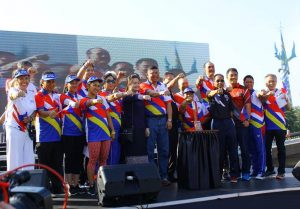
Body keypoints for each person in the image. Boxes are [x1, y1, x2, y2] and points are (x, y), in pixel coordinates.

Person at [79, 76, 115, 195]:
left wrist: (112, 130)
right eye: (94, 85)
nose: (97, 87)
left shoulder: (103, 99)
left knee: (104, 160)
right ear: (88, 86)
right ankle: (91, 185)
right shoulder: (84, 99)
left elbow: (108, 116)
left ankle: (102, 183)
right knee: (93, 160)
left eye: (99, 86)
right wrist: (94, 101)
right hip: (93, 135)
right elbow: (88, 103)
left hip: (105, 134)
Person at [140, 66, 172, 186]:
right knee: (149, 151)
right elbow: (150, 93)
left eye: (156, 73)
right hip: (150, 121)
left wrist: (169, 120)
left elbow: (168, 104)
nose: (154, 75)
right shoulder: (143, 85)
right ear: (147, 75)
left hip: (163, 120)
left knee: (164, 150)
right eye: (152, 73)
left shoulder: (163, 85)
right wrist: (161, 93)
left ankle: (164, 176)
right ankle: (152, 177)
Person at [35, 71, 63, 194]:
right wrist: (49, 113)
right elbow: (40, 112)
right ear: (42, 83)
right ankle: (44, 190)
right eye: (48, 81)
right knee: (44, 166)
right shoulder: (39, 95)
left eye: (53, 81)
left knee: (57, 164)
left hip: (57, 136)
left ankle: (57, 188)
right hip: (44, 137)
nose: (51, 84)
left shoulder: (55, 95)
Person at [207, 74, 239, 183]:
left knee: (233, 150)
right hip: (216, 123)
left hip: (228, 123)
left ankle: (234, 175)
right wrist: (217, 91)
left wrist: (243, 119)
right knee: (219, 151)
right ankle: (219, 175)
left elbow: (232, 109)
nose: (220, 82)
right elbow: (210, 94)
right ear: (214, 83)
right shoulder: (210, 93)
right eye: (217, 81)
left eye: (221, 80)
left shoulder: (227, 94)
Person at [5, 69, 36, 171]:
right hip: (15, 128)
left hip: (27, 129)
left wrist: (30, 117)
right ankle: (13, 184)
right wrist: (18, 94)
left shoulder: (31, 92)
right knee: (15, 159)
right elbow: (12, 96)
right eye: (21, 78)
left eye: (26, 78)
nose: (24, 81)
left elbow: (35, 110)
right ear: (16, 80)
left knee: (29, 159)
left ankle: (29, 184)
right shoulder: (13, 90)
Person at [60, 74, 85, 195]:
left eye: (76, 83)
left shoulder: (80, 96)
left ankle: (76, 184)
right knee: (69, 159)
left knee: (78, 159)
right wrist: (75, 103)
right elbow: (69, 102)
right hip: (67, 133)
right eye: (72, 83)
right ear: (67, 85)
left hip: (79, 133)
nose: (74, 85)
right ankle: (68, 185)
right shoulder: (63, 96)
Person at [263, 74, 291, 180]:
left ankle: (281, 172)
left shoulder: (281, 93)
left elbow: (288, 108)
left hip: (280, 126)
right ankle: (270, 169)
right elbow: (260, 101)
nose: (271, 83)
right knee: (266, 149)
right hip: (268, 126)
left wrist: (287, 100)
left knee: (281, 149)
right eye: (269, 81)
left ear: (276, 81)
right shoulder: (263, 93)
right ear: (266, 82)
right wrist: (267, 95)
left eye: (273, 81)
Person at [226, 68, 251, 181]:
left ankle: (246, 172)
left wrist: (248, 119)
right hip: (230, 124)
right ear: (227, 77)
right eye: (231, 75)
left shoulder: (244, 89)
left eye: (235, 74)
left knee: (245, 149)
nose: (233, 77)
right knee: (232, 150)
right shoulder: (224, 90)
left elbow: (248, 105)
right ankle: (234, 174)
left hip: (242, 123)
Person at [99, 71, 128, 165]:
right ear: (103, 83)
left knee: (116, 151)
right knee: (109, 152)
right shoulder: (101, 95)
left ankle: (115, 174)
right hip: (108, 127)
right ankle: (107, 176)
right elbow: (110, 98)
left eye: (113, 81)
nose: (111, 83)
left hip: (119, 127)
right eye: (108, 81)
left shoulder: (117, 94)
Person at [121, 73, 150, 163]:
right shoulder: (126, 96)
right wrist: (142, 96)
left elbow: (143, 113)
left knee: (142, 152)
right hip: (130, 131)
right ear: (129, 84)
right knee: (131, 154)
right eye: (134, 83)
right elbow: (132, 98)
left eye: (138, 83)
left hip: (141, 130)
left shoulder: (139, 96)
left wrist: (147, 127)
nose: (137, 85)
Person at [243, 75, 267, 179]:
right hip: (248, 125)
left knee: (260, 149)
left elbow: (261, 94)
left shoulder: (256, 92)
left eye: (251, 82)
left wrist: (263, 93)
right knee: (252, 150)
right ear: (244, 83)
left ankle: (261, 171)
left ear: (253, 83)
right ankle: (255, 170)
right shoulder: (243, 93)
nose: (249, 84)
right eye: (247, 82)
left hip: (258, 125)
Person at [163, 72, 185, 181]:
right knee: (166, 150)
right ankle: (165, 175)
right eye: (169, 79)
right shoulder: (163, 90)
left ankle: (171, 174)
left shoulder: (172, 95)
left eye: (173, 79)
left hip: (175, 125)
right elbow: (168, 85)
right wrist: (177, 77)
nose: (173, 82)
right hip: (167, 125)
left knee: (173, 150)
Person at [195, 61, 215, 129]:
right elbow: (197, 84)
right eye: (209, 67)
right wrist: (199, 80)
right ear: (204, 69)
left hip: (217, 110)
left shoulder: (218, 80)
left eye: (212, 67)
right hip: (207, 112)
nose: (211, 68)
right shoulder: (203, 79)